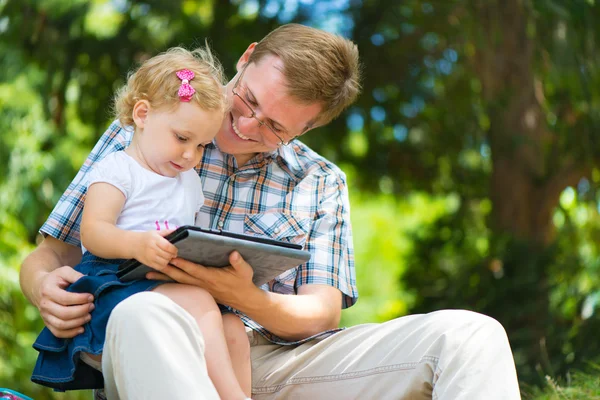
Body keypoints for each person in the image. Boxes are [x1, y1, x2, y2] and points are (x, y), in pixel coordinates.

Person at [21, 23, 521, 399]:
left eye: (274, 126)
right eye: (247, 99)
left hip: (278, 362)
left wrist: (243, 297)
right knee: (146, 310)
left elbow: (321, 312)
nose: (245, 125)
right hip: (162, 351)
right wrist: (43, 288)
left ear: (306, 130)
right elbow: (51, 253)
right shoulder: (150, 132)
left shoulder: (321, 181)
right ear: (246, 57)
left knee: (472, 335)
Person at [28, 46, 252, 400]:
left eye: (201, 146)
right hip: (116, 280)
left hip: (166, 280)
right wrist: (137, 244)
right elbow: (94, 232)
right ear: (143, 114)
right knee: (199, 302)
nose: (189, 155)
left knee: (232, 325)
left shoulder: (188, 181)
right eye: (182, 138)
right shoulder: (117, 169)